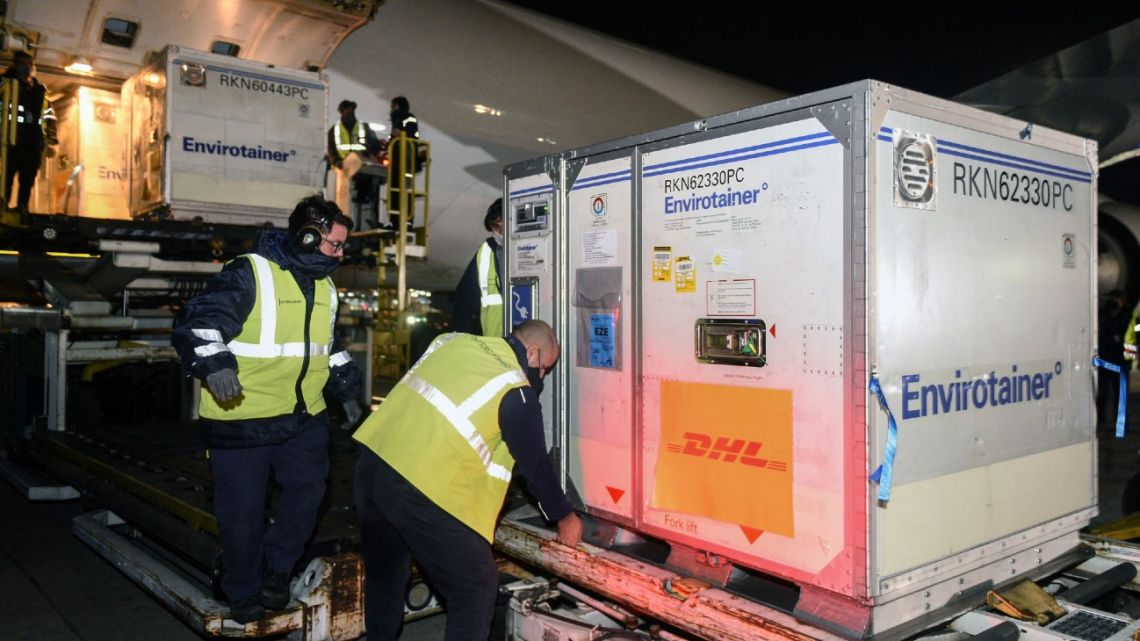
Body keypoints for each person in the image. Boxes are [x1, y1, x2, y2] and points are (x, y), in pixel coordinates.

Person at [172, 195, 364, 624]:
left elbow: (328, 349)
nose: (340, 253)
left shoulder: (327, 288)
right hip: (242, 418)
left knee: (309, 493)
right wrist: (215, 363)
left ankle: (278, 570)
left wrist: (348, 392)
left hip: (302, 418)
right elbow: (198, 323)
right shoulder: (251, 273)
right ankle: (241, 589)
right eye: (334, 244)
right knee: (242, 513)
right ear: (308, 237)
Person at [353, 320, 582, 641]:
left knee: (386, 578)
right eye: (544, 367)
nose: (542, 376)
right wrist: (564, 517)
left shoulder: (453, 341)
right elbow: (536, 467)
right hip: (420, 490)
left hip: (372, 467)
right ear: (531, 351)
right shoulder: (516, 390)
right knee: (475, 588)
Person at [1, 50, 57, 222]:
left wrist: (50, 139)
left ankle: (22, 207)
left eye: (29, 64)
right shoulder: (5, 83)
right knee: (6, 178)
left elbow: (49, 115)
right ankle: (2, 207)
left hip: (33, 143)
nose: (26, 68)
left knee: (28, 179)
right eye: (22, 64)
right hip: (10, 141)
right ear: (15, 65)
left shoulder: (40, 89)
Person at [326, 99, 382, 227]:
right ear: (342, 112)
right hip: (344, 171)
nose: (350, 114)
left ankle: (364, 220)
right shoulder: (334, 130)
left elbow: (374, 144)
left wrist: (367, 152)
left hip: (361, 167)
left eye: (351, 111)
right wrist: (336, 161)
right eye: (347, 111)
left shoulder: (363, 128)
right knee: (346, 201)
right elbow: (331, 150)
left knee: (366, 192)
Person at [453, 198, 503, 336]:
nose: (498, 231)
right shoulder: (486, 252)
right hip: (496, 341)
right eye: (495, 226)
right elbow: (464, 299)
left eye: (502, 225)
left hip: (531, 341)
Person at [386, 95, 420, 229]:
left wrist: (400, 132)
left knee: (405, 192)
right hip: (397, 163)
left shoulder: (408, 118)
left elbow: (411, 133)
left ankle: (407, 222)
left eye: (392, 106)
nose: (391, 109)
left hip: (407, 163)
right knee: (394, 192)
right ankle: (395, 222)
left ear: (398, 106)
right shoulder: (396, 121)